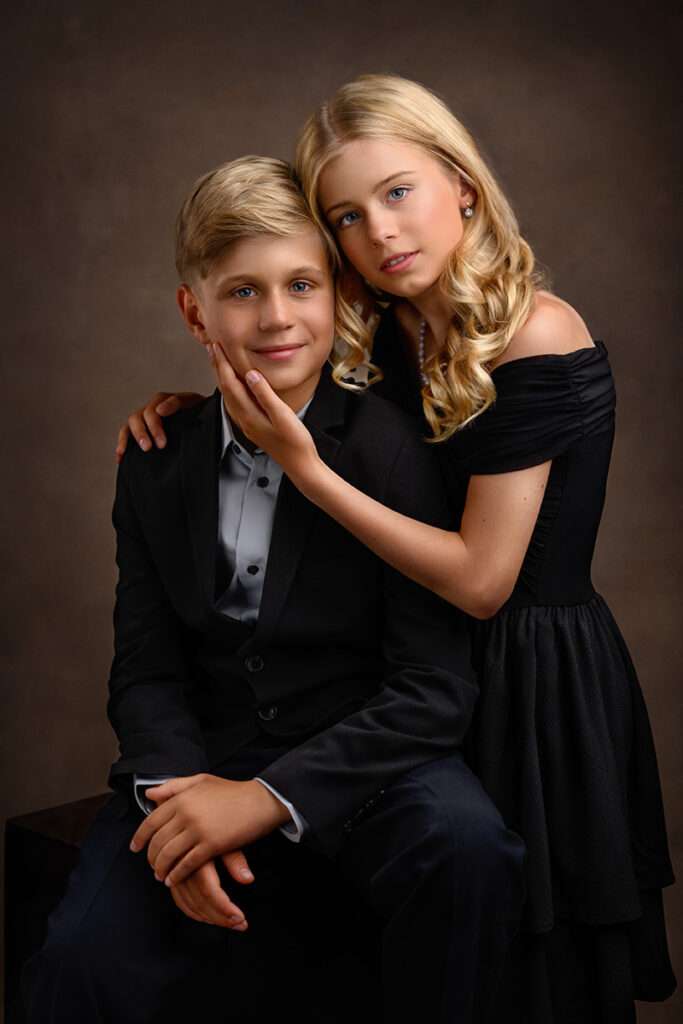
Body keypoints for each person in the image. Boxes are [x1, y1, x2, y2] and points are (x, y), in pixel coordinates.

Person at [120, 75, 676, 1023]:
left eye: (397, 192)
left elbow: (482, 581)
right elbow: (277, 345)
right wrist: (197, 410)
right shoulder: (392, 321)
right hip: (411, 673)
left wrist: (306, 472)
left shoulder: (533, 332)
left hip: (529, 669)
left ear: (461, 182)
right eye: (345, 216)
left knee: (530, 965)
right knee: (418, 954)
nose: (377, 233)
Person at [21, 154, 526, 1024]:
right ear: (194, 310)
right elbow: (145, 665)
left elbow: (434, 687)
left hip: (365, 760)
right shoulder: (156, 459)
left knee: (468, 848)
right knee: (78, 960)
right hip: (205, 752)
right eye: (242, 292)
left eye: (300, 284)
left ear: (337, 295)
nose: (278, 318)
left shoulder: (393, 449)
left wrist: (268, 797)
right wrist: (180, 810)